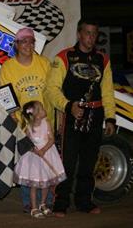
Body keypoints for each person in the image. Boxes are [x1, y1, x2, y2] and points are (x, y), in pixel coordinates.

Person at [46, 18, 116, 217]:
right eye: (87, 33)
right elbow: (51, 89)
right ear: (79, 34)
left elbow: (108, 91)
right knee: (67, 161)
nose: (91, 38)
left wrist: (110, 118)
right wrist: (68, 106)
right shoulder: (64, 57)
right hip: (72, 115)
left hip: (95, 115)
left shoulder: (103, 59)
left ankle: (84, 201)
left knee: (88, 161)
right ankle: (61, 202)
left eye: (94, 34)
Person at [0, 27, 53, 213]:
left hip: (46, 124)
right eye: (23, 41)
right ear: (16, 45)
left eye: (30, 41)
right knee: (29, 165)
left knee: (47, 163)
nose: (27, 45)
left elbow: (53, 93)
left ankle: (46, 201)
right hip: (23, 126)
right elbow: (7, 99)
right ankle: (29, 202)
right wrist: (16, 123)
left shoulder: (44, 63)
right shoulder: (8, 68)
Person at [14, 101, 66, 218]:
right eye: (41, 109)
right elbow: (25, 143)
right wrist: (34, 150)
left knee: (46, 183)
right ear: (36, 115)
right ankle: (34, 207)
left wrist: (44, 150)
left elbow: (52, 139)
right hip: (34, 160)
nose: (44, 110)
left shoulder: (46, 123)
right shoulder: (29, 128)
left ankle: (43, 203)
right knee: (35, 184)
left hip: (47, 154)